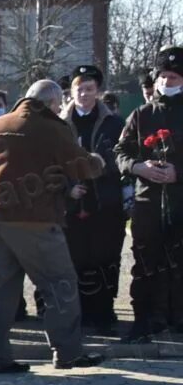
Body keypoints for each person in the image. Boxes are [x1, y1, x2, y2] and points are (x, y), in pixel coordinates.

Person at [0, 79, 106, 373]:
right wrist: (98, 161)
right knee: (60, 284)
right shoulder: (52, 128)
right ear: (53, 103)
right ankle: (67, 352)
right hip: (35, 220)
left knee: (2, 289)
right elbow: (82, 166)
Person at [115, 46, 183, 341]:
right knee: (145, 260)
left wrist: (178, 172)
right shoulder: (141, 114)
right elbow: (121, 152)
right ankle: (145, 318)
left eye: (174, 76)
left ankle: (177, 318)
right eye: (163, 76)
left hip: (179, 199)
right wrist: (138, 166)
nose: (167, 81)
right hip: (148, 200)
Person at [62, 64, 127, 336]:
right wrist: (68, 186)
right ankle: (81, 311)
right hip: (72, 204)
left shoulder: (114, 123)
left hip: (105, 203)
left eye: (89, 89)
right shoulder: (60, 124)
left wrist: (98, 165)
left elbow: (122, 157)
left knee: (105, 257)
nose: (84, 94)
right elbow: (51, 161)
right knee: (76, 258)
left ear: (98, 91)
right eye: (79, 88)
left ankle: (104, 310)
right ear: (71, 91)